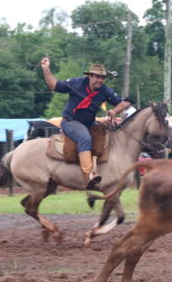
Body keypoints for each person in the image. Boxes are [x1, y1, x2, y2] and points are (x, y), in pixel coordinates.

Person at [40, 58, 127, 189]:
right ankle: (88, 174)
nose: (100, 80)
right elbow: (54, 85)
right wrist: (46, 68)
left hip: (90, 123)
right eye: (97, 77)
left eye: (103, 78)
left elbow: (122, 103)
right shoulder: (76, 83)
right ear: (90, 76)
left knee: (108, 134)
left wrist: (114, 111)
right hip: (70, 122)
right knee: (84, 138)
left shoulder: (105, 90)